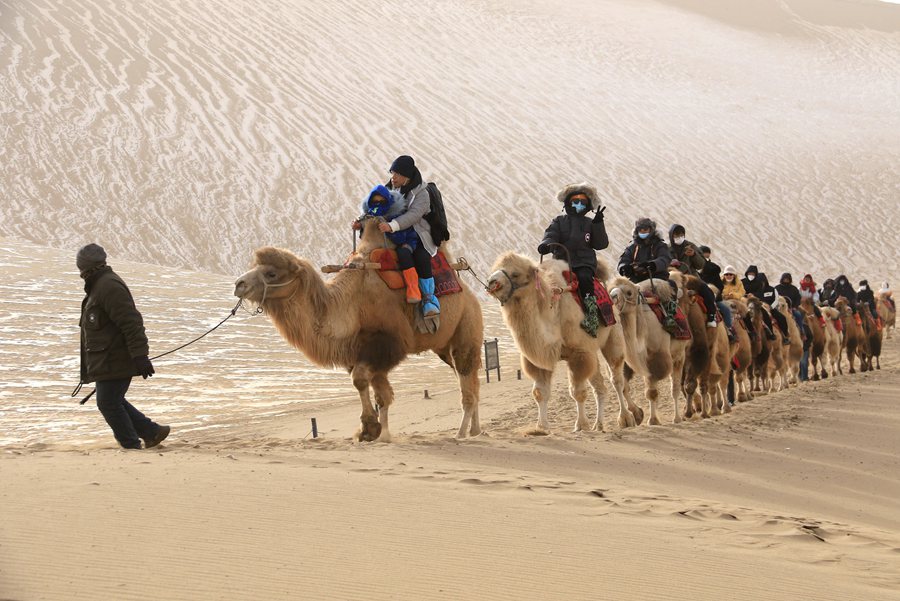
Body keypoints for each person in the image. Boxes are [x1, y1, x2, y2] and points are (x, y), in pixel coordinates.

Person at [77, 244, 169, 450]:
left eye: (80, 268)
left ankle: (131, 445)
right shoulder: (99, 284)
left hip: (115, 357)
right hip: (107, 358)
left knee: (108, 403)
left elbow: (131, 322)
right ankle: (152, 432)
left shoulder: (108, 286)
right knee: (112, 400)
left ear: (85, 267)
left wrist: (140, 356)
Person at [538, 183, 609, 336]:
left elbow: (601, 244)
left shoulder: (590, 223)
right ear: (568, 203)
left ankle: (591, 315)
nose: (578, 204)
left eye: (582, 201)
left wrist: (598, 224)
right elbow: (551, 235)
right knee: (544, 282)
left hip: (584, 263)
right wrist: (546, 245)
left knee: (584, 278)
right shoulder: (559, 221)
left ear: (588, 205)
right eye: (575, 200)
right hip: (561, 262)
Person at [383, 155, 441, 317]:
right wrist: (360, 221)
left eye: (397, 174)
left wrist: (392, 225)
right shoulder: (388, 190)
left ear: (406, 176)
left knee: (420, 256)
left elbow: (414, 215)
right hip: (395, 235)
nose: (393, 177)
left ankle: (429, 299)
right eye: (392, 173)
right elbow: (374, 205)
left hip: (418, 234)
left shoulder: (422, 194)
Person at [355, 184, 421, 303]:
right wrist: (360, 226)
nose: (378, 204)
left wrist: (389, 228)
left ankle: (413, 289)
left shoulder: (397, 214)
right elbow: (365, 237)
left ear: (388, 201)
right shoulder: (368, 216)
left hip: (405, 241)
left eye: (382, 201)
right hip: (380, 245)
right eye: (375, 201)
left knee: (404, 254)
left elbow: (403, 237)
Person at [617, 217, 671, 283]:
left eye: (645, 229)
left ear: (651, 230)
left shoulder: (660, 245)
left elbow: (665, 259)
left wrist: (652, 265)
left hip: (657, 278)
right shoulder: (632, 247)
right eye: (640, 229)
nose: (642, 231)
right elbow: (624, 259)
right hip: (636, 280)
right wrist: (624, 268)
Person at [698, 245, 734, 341]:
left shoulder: (713, 270)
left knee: (726, 310)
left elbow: (720, 286)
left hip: (713, 297)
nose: (705, 259)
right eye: (703, 256)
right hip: (696, 295)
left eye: (707, 257)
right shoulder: (692, 267)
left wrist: (714, 293)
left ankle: (729, 330)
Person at [757, 272, 790, 345]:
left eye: (762, 281)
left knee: (782, 318)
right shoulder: (755, 291)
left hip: (771, 308)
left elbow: (776, 299)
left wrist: (771, 307)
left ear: (765, 281)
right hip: (759, 309)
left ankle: (785, 336)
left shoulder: (772, 289)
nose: (761, 283)